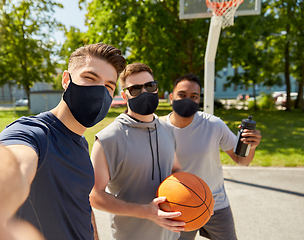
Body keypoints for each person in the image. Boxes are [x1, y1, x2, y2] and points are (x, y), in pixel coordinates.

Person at [0, 43, 126, 240]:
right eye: (90, 78)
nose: (99, 91)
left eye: (108, 86)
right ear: (66, 80)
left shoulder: (81, 143)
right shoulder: (35, 132)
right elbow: (14, 163)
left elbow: (80, 205)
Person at [90, 62, 185, 240]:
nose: (145, 93)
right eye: (135, 89)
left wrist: (194, 195)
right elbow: (95, 195)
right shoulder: (108, 138)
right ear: (124, 95)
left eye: (150, 86)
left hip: (170, 235)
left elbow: (176, 169)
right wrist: (145, 212)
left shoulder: (167, 129)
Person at [160, 73, 262, 240]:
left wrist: (251, 146)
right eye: (182, 95)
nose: (188, 99)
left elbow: (242, 160)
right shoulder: (159, 128)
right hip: (177, 205)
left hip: (215, 203)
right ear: (171, 97)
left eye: (193, 96)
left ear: (199, 100)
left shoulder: (214, 125)